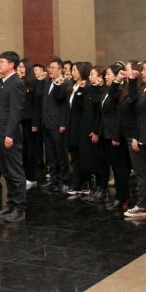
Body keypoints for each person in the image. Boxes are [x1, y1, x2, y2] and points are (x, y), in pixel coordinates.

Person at [0, 51, 27, 223]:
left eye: (1, 62)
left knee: (15, 172)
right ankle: (11, 205)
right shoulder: (3, 82)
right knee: (6, 172)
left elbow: (16, 111)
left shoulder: (16, 83)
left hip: (9, 135)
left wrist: (9, 134)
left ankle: (19, 209)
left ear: (11, 65)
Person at [122, 60, 146, 219]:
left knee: (142, 172)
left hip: (140, 137)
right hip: (136, 135)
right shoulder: (140, 89)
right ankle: (144, 203)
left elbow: (138, 117)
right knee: (141, 172)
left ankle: (143, 205)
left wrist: (135, 136)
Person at [100, 64, 130, 212]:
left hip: (115, 135)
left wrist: (116, 136)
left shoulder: (120, 91)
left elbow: (119, 116)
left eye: (108, 74)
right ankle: (118, 196)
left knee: (120, 169)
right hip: (106, 134)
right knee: (115, 166)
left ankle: (123, 198)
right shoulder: (107, 90)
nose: (105, 76)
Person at [41, 57, 69, 192]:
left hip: (58, 124)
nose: (50, 70)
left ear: (60, 69)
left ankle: (63, 180)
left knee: (60, 154)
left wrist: (63, 123)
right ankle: (53, 179)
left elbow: (64, 106)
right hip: (46, 123)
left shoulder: (65, 83)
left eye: (53, 68)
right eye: (49, 68)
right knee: (50, 154)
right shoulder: (47, 83)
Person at [80, 66, 108, 203]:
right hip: (87, 128)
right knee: (91, 161)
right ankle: (96, 188)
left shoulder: (103, 90)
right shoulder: (90, 89)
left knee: (99, 161)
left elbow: (99, 111)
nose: (90, 77)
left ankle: (102, 189)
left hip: (96, 130)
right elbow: (82, 105)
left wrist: (96, 131)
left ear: (100, 77)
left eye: (92, 74)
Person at [17, 58, 43, 189]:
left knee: (30, 150)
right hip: (19, 121)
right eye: (19, 67)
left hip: (30, 121)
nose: (20, 69)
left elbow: (37, 105)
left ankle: (31, 176)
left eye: (22, 67)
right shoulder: (17, 82)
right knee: (21, 150)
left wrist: (35, 123)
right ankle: (22, 175)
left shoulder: (34, 83)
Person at [67, 62, 92, 195]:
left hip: (81, 127)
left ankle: (83, 184)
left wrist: (82, 90)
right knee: (74, 156)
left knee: (80, 156)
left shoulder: (86, 86)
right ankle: (76, 182)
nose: (73, 73)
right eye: (72, 70)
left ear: (82, 71)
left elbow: (84, 106)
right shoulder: (72, 86)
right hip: (71, 126)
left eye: (75, 70)